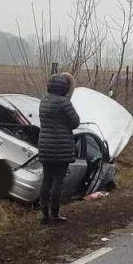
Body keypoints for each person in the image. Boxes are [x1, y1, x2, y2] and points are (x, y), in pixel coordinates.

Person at [37, 72, 81, 224]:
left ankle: (44, 213)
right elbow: (75, 122)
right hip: (61, 148)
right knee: (58, 181)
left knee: (46, 179)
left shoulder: (43, 101)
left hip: (44, 146)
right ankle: (55, 214)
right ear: (65, 87)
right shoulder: (64, 103)